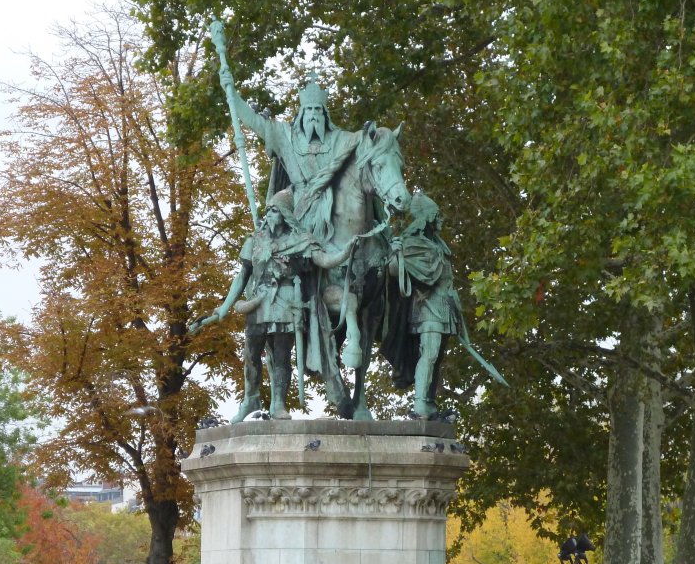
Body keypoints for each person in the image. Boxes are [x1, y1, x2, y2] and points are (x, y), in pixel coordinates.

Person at [196, 189, 356, 421]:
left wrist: (346, 252)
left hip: (286, 303)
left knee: (281, 356)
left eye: (273, 211)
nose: (268, 215)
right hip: (258, 303)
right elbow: (242, 276)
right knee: (251, 353)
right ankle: (250, 398)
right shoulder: (255, 240)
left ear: (283, 215)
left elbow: (324, 260)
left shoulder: (299, 240)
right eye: (267, 211)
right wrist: (224, 307)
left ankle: (278, 403)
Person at [383, 192, 506, 419]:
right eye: (436, 215)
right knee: (428, 355)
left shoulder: (438, 245)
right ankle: (420, 404)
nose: (440, 220)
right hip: (427, 308)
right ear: (427, 218)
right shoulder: (412, 242)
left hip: (445, 307)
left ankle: (428, 402)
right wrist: (396, 255)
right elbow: (393, 270)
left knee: (436, 358)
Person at [219, 69, 364, 244]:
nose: (313, 115)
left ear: (325, 114)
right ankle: (250, 268)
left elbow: (367, 144)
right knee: (268, 237)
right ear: (302, 113)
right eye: (308, 109)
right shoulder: (284, 135)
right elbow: (255, 122)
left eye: (317, 109)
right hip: (298, 201)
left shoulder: (341, 138)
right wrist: (232, 93)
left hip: (334, 200)